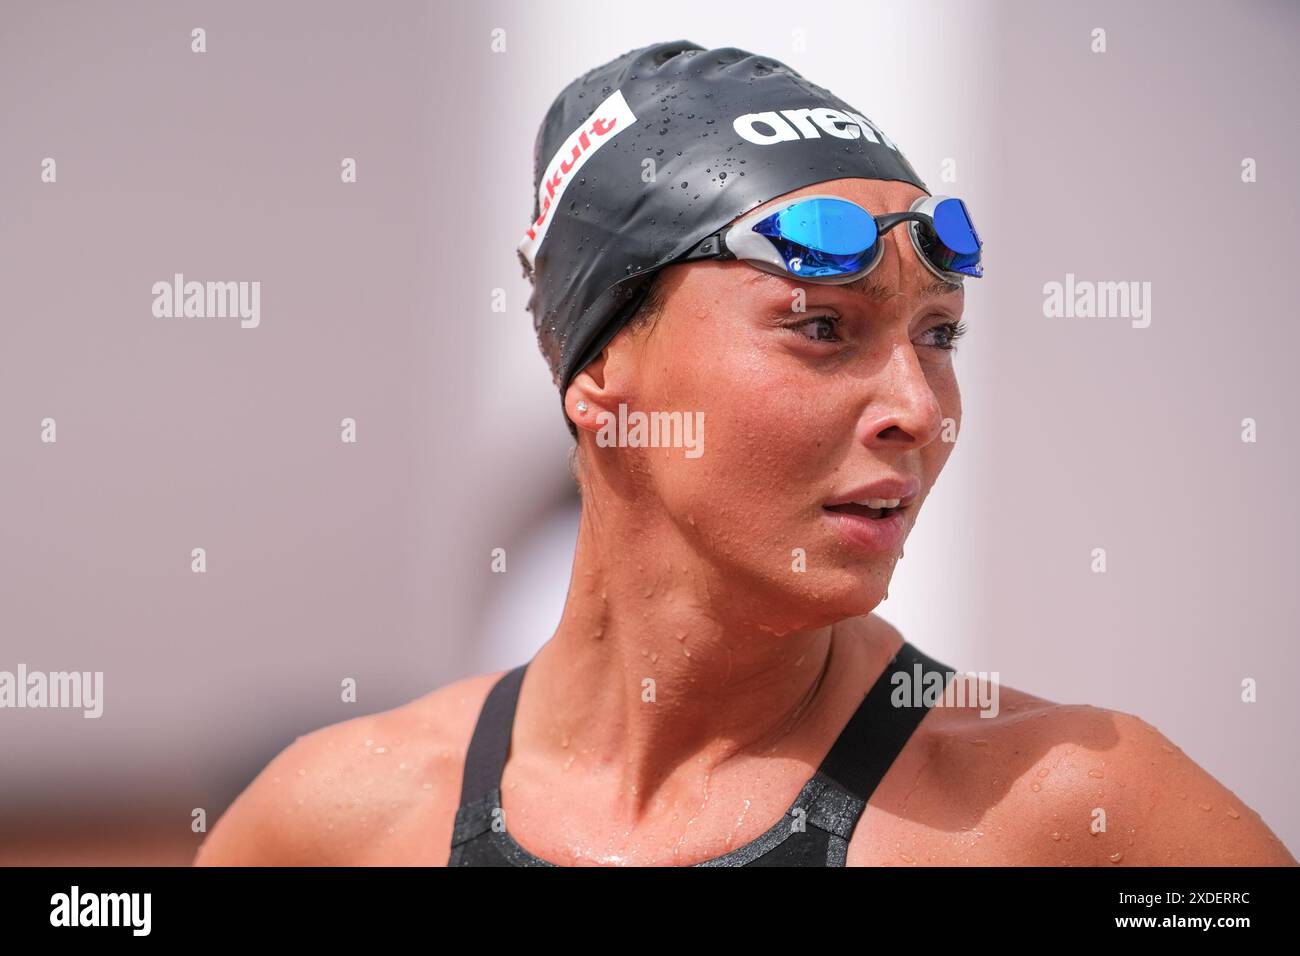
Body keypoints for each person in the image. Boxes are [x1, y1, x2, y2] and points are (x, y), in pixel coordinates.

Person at [194, 40, 1295, 867]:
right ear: (598, 371)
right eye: (822, 326)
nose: (918, 405)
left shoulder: (1071, 811)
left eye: (938, 333)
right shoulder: (340, 821)